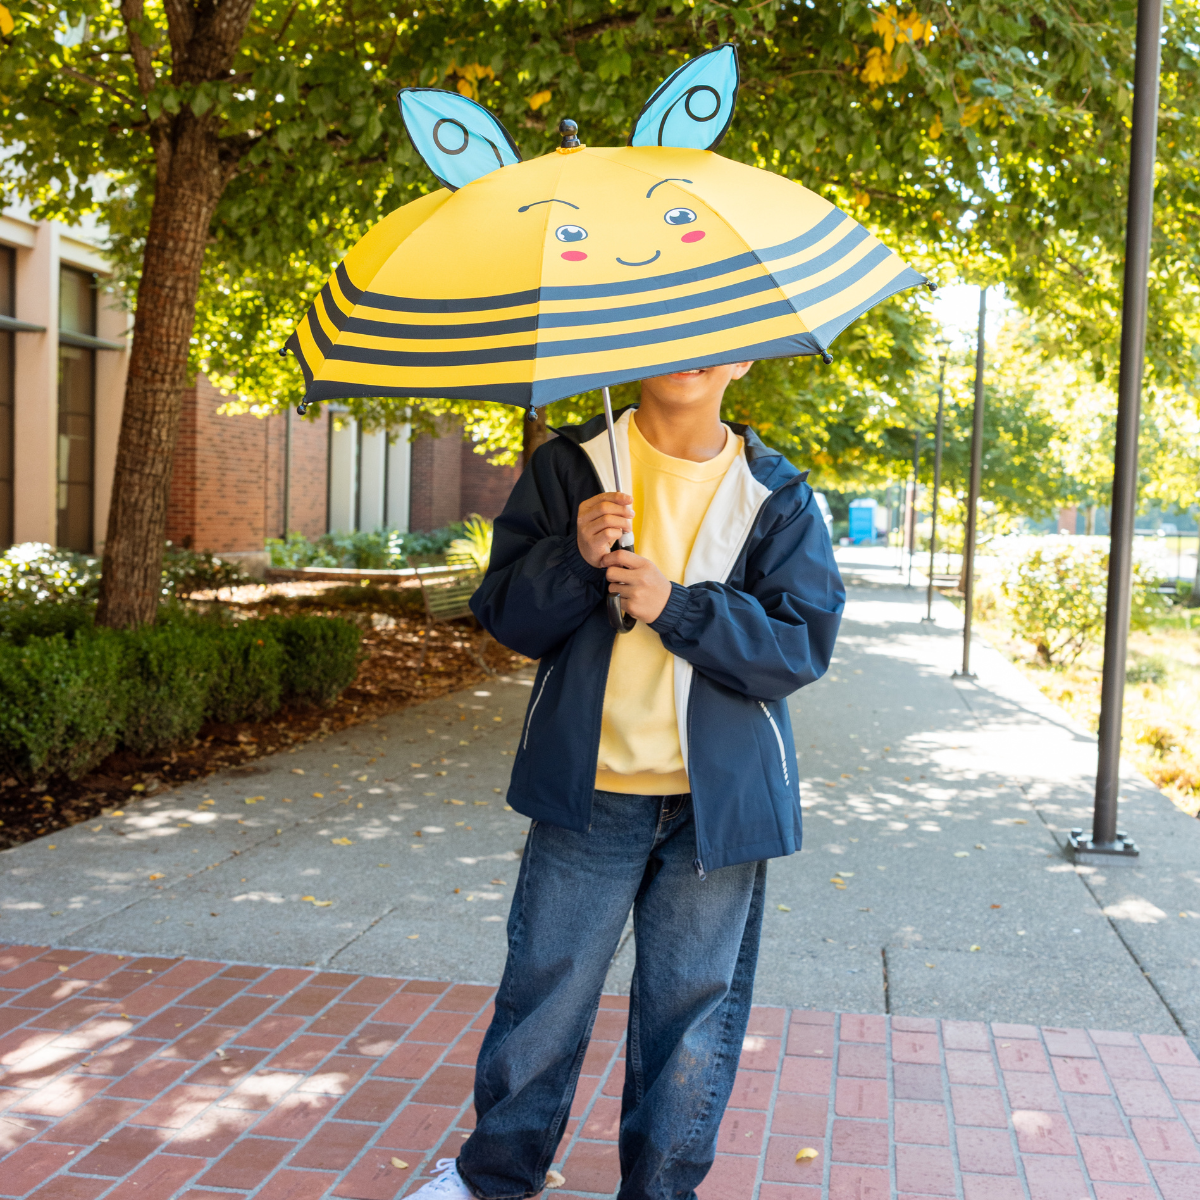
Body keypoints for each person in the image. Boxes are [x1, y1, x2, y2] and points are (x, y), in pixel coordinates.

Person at [409, 361, 844, 1200]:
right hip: (590, 792)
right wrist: (574, 558)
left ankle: (662, 1190)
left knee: (690, 1018)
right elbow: (507, 616)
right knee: (542, 996)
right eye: (679, 330)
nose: (695, 351)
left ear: (746, 356)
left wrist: (676, 605)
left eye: (717, 336)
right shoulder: (571, 467)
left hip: (715, 807)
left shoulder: (776, 494)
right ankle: (492, 1180)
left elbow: (799, 647)